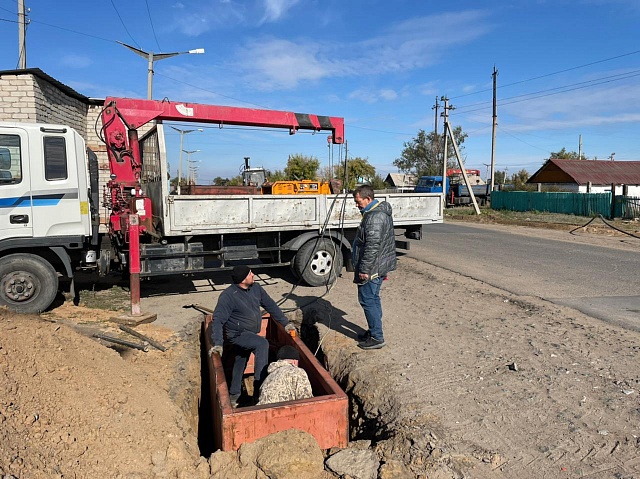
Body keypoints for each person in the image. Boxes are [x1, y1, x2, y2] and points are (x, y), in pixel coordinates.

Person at [209, 265, 296, 407]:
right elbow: (217, 320)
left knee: (241, 359)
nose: (253, 275)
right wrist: (218, 343)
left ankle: (234, 394)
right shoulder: (228, 296)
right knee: (262, 344)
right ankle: (259, 390)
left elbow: (271, 305)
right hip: (237, 334)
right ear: (243, 279)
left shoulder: (256, 288)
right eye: (250, 274)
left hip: (250, 333)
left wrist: (286, 323)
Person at [351, 184, 397, 350]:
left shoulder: (374, 217)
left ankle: (377, 337)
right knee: (373, 299)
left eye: (358, 201)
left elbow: (372, 245)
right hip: (377, 265)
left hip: (373, 268)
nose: (356, 205)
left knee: (368, 300)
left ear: (368, 199)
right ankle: (374, 330)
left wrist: (364, 269)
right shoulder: (374, 213)